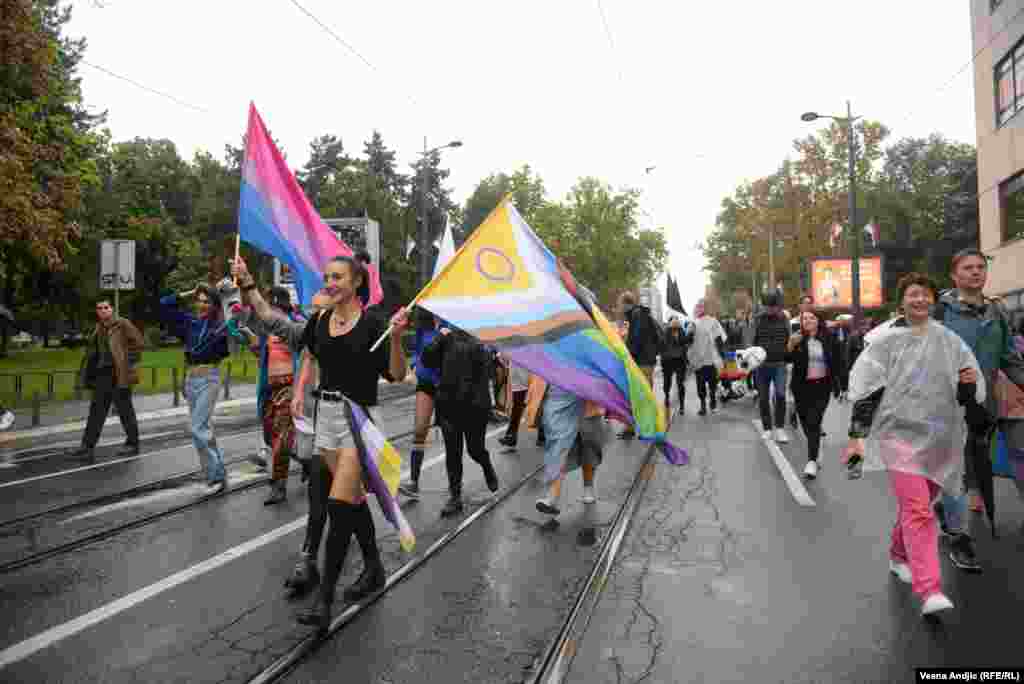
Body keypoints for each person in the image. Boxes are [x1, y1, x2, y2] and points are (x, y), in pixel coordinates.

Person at [844, 273, 984, 617]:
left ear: (933, 301)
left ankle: (898, 554)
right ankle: (930, 589)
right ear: (902, 301)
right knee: (919, 510)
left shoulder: (950, 342)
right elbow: (865, 391)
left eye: (926, 294)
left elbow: (969, 393)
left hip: (939, 437)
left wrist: (967, 384)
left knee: (920, 504)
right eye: (913, 294)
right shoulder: (885, 342)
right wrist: (857, 438)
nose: (920, 300)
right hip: (898, 436)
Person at [290, 256, 410, 631]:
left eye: (337, 277)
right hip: (324, 419)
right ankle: (373, 567)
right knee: (353, 503)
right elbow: (304, 350)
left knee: (339, 508)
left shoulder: (374, 323)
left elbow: (396, 373)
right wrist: (299, 388)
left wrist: (396, 337)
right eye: (327, 277)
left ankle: (324, 603)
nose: (330, 282)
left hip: (357, 422)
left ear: (357, 282)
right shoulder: (321, 321)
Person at [232, 257, 334, 594]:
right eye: (313, 309)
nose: (315, 313)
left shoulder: (360, 330)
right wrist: (246, 281)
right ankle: (309, 561)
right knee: (321, 497)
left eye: (322, 306)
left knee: (348, 504)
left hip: (347, 427)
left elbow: (392, 373)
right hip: (317, 423)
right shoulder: (307, 332)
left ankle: (371, 563)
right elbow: (266, 318)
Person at [931, 248, 1024, 573]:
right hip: (946, 407)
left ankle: (946, 511)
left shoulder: (996, 312)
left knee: (973, 470)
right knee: (955, 472)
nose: (975, 272)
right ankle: (961, 543)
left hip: (983, 409)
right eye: (967, 268)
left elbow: (1009, 358)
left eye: (980, 267)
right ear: (955, 276)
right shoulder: (939, 312)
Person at [159, 284, 234, 494]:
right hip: (191, 379)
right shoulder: (189, 323)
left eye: (206, 301)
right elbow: (164, 304)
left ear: (214, 305)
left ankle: (216, 477)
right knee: (203, 429)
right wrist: (189, 291)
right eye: (199, 300)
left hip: (209, 379)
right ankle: (217, 474)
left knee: (198, 429)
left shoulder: (220, 326)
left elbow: (235, 321)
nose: (201, 304)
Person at [420, 324, 500, 517]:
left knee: (475, 450)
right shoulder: (445, 338)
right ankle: (455, 496)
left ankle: (486, 464)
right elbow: (427, 360)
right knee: (452, 453)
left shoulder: (480, 339)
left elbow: (488, 370)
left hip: (474, 407)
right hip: (449, 405)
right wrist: (439, 338)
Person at [68, 299, 144, 461]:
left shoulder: (122, 324)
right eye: (99, 308)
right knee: (96, 411)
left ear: (112, 309)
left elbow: (138, 344)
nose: (103, 310)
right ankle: (86, 447)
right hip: (102, 375)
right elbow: (93, 352)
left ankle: (132, 443)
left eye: (106, 307)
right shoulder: (99, 328)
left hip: (119, 373)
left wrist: (126, 360)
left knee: (125, 410)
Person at [532, 379, 607, 515]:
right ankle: (551, 497)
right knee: (558, 450)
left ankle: (588, 487)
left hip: (587, 402)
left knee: (589, 447)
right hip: (559, 403)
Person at [786, 309, 841, 479]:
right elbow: (787, 359)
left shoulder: (829, 338)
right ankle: (816, 449)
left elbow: (839, 362)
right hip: (801, 388)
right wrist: (790, 345)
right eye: (804, 319)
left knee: (814, 421)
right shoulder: (798, 339)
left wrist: (842, 386)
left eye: (811, 318)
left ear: (818, 320)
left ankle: (811, 461)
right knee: (807, 424)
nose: (807, 321)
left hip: (821, 387)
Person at [398, 309, 441, 499]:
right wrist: (415, 365)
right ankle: (414, 482)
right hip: (426, 384)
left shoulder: (451, 324)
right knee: (419, 430)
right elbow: (417, 351)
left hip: (448, 385)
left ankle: (455, 487)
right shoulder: (424, 326)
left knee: (451, 434)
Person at [617, 292, 662, 438]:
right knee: (637, 395)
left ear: (625, 304)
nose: (619, 308)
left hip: (643, 361)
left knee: (641, 396)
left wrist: (627, 355)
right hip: (644, 360)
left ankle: (645, 429)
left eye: (620, 305)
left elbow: (637, 340)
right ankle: (632, 428)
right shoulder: (637, 315)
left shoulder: (638, 315)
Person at [753, 289, 791, 442]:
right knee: (763, 398)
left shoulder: (784, 319)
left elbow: (789, 340)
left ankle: (780, 428)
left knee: (781, 396)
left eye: (772, 306)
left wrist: (789, 359)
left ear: (778, 306)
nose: (769, 309)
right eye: (766, 306)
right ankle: (767, 428)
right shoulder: (758, 319)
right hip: (761, 365)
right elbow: (752, 342)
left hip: (779, 364)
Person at [688, 299, 726, 416]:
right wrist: (690, 333)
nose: (699, 309)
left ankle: (713, 400)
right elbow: (688, 341)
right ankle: (703, 405)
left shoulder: (713, 322)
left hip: (711, 360)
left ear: (705, 308)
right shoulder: (693, 323)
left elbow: (719, 339)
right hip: (698, 360)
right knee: (700, 385)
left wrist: (722, 356)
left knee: (712, 384)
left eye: (701, 306)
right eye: (697, 307)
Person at [660, 316, 692, 414]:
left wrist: (690, 335)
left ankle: (681, 405)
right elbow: (661, 345)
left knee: (680, 383)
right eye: (673, 324)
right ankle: (667, 397)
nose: (675, 326)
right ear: (670, 325)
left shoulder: (681, 331)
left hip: (679, 361)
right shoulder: (666, 332)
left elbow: (686, 341)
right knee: (667, 382)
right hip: (668, 361)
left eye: (677, 325)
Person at [498, 355, 531, 449]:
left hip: (529, 379)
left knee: (538, 405)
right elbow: (502, 358)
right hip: (518, 381)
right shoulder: (511, 344)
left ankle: (543, 434)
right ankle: (511, 437)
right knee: (517, 408)